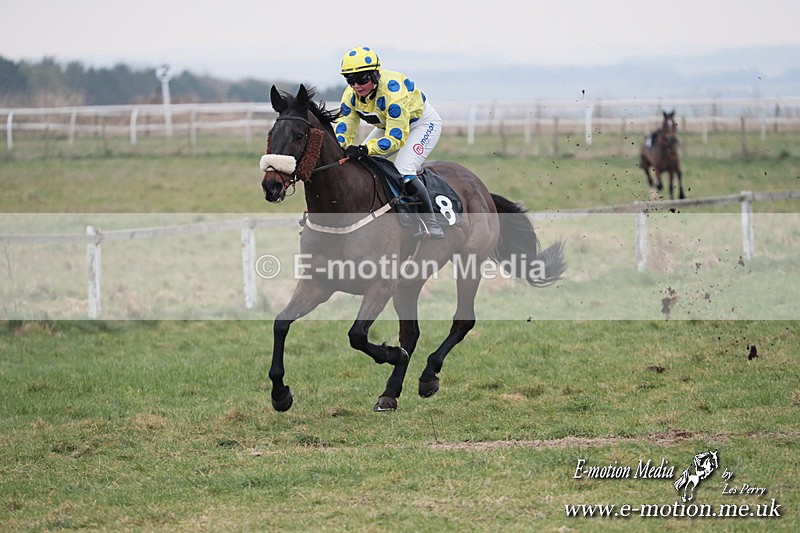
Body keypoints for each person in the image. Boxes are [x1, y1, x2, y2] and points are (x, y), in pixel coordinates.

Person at [334, 46, 444, 239]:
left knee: (404, 169)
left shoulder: (393, 93)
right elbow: (345, 127)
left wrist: (364, 148)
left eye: (362, 79)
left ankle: (431, 223)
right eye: (350, 80)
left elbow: (396, 139)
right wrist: (341, 147)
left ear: (375, 75)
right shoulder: (350, 95)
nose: (356, 86)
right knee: (359, 165)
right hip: (389, 125)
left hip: (421, 125)